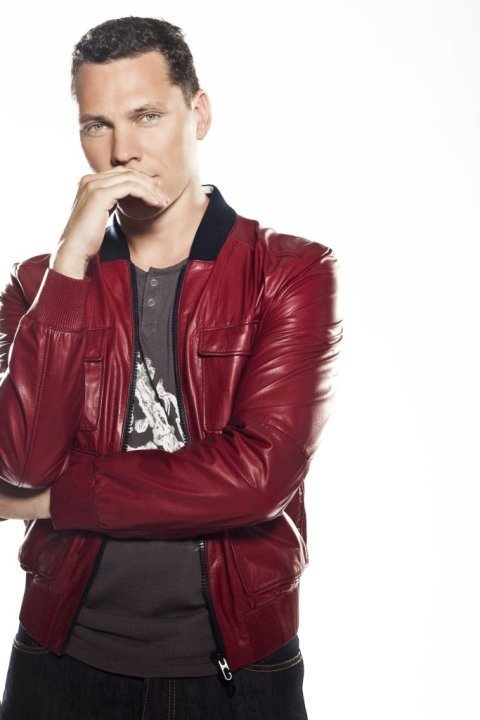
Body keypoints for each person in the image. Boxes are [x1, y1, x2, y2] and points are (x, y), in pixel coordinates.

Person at [0, 15, 342, 720]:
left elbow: (258, 479)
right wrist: (70, 259)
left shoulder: (289, 273)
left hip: (239, 669)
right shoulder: (39, 285)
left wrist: (56, 502)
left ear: (199, 114)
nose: (123, 150)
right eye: (97, 125)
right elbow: (22, 466)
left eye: (146, 116)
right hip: (59, 661)